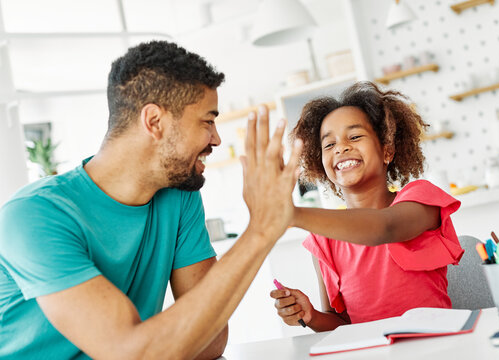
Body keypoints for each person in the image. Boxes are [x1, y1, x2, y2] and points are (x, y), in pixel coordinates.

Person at [0, 40, 302, 359]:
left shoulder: (178, 195)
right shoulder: (34, 215)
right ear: (154, 122)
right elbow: (129, 352)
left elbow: (210, 341)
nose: (216, 139)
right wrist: (260, 231)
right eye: (207, 121)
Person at [270, 81, 464, 332]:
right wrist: (311, 316)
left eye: (354, 136)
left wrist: (294, 214)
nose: (341, 147)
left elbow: (384, 228)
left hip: (436, 343)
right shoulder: (323, 238)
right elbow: (343, 324)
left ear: (387, 150)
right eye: (329, 144)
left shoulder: (421, 199)